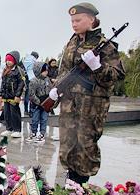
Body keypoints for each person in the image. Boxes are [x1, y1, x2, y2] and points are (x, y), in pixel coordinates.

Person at [49, 3, 125, 185]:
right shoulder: (71, 43)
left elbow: (118, 75)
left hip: (91, 106)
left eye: (78, 20)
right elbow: (65, 71)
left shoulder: (104, 45)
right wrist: (56, 89)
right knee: (68, 141)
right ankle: (70, 181)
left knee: (85, 144)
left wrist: (98, 67)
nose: (74, 24)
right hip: (69, 103)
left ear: (91, 20)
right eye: (72, 21)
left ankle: (80, 185)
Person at [0, 51, 24, 138]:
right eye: (7, 60)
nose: (8, 62)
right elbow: (3, 83)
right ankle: (9, 128)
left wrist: (18, 95)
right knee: (6, 113)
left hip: (14, 97)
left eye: (10, 60)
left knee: (15, 113)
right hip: (6, 96)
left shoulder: (18, 71)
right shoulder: (5, 70)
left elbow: (21, 83)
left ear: (15, 60)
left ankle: (17, 130)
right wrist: (1, 94)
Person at [26, 62, 52, 143]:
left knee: (44, 119)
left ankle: (42, 133)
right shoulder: (33, 81)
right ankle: (33, 132)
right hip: (36, 104)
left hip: (46, 104)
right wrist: (38, 101)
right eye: (44, 71)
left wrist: (50, 101)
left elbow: (51, 89)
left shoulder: (47, 80)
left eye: (47, 71)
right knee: (35, 119)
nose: (46, 72)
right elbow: (31, 94)